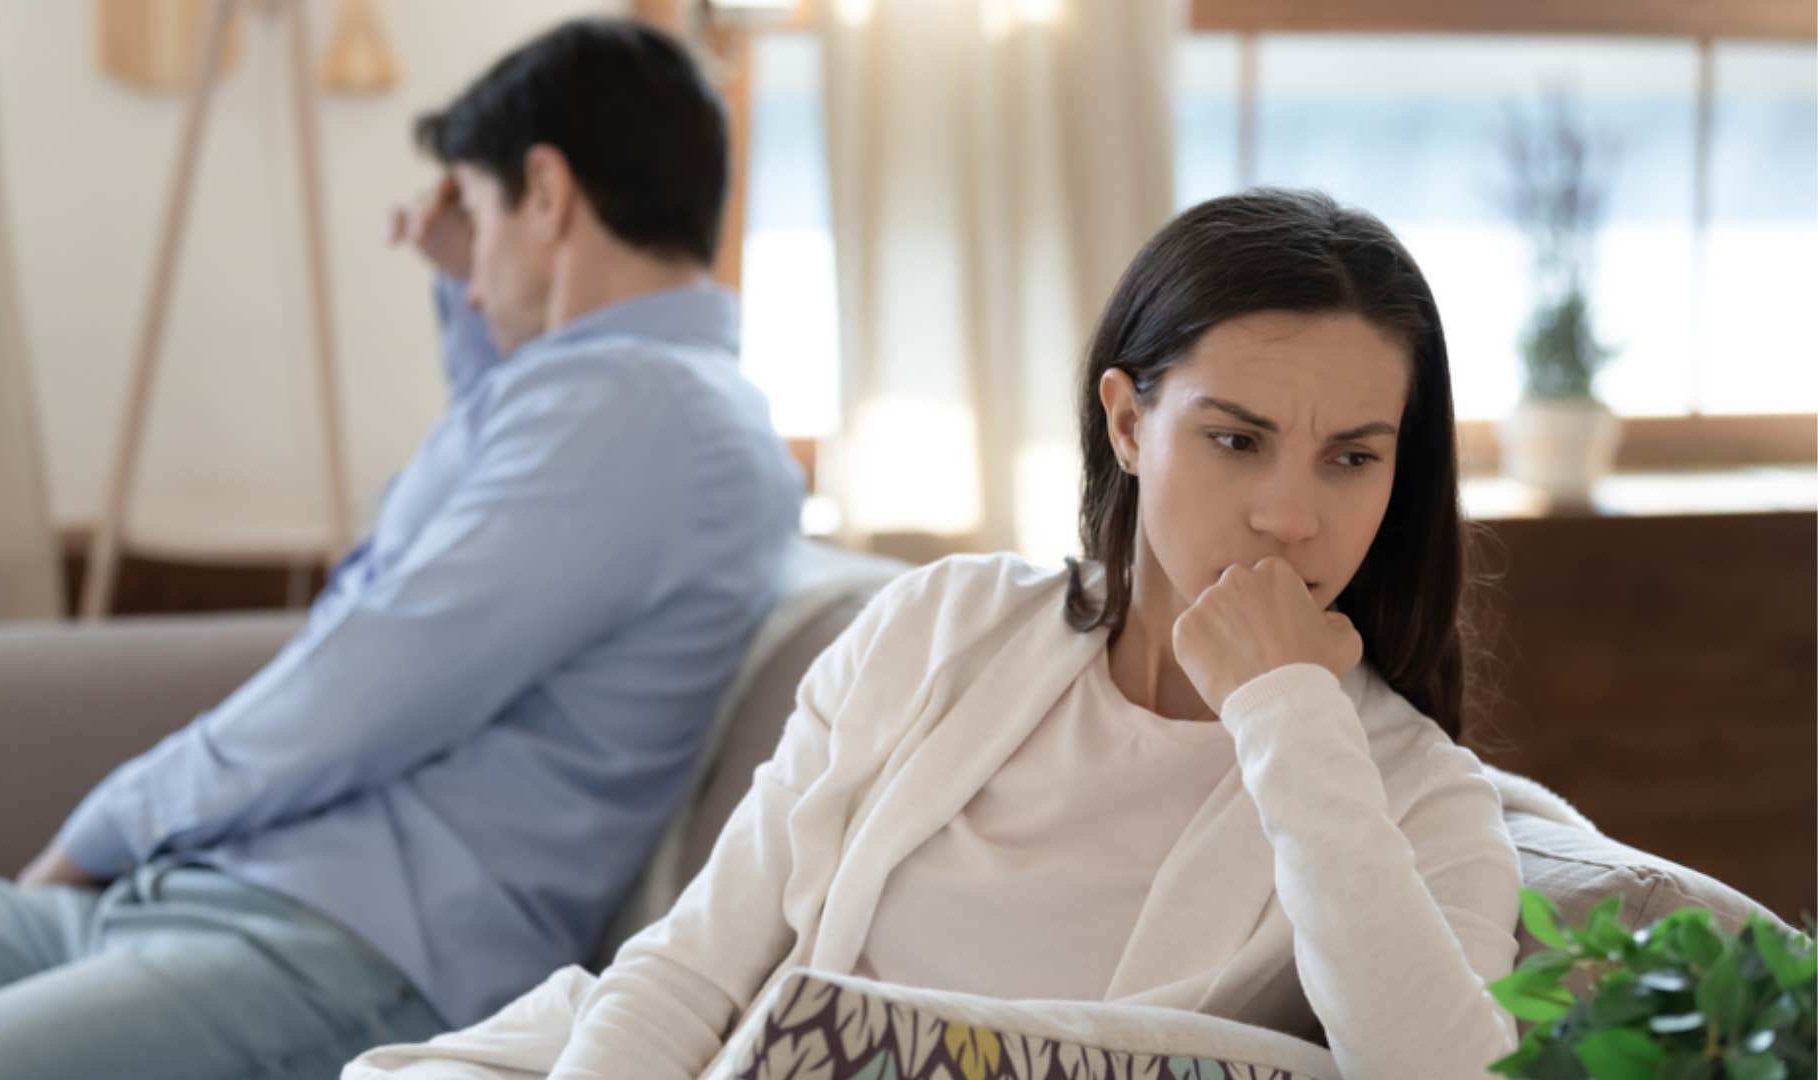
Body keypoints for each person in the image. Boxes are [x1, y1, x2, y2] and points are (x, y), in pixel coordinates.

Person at [346, 188, 1524, 1080]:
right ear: (1126, 422)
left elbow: (1447, 1072)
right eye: (1235, 440)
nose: (1289, 515)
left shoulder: (1414, 797)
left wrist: (1287, 717)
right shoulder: (941, 625)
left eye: (1352, 458)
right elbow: (696, 962)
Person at [0, 17, 801, 1080]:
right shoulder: (610, 410)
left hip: (335, 951)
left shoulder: (653, 421)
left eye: (472, 203)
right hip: (218, 899)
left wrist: (106, 827)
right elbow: (478, 494)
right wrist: (468, 296)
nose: (468, 277)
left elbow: (373, 677)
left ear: (547, 192)